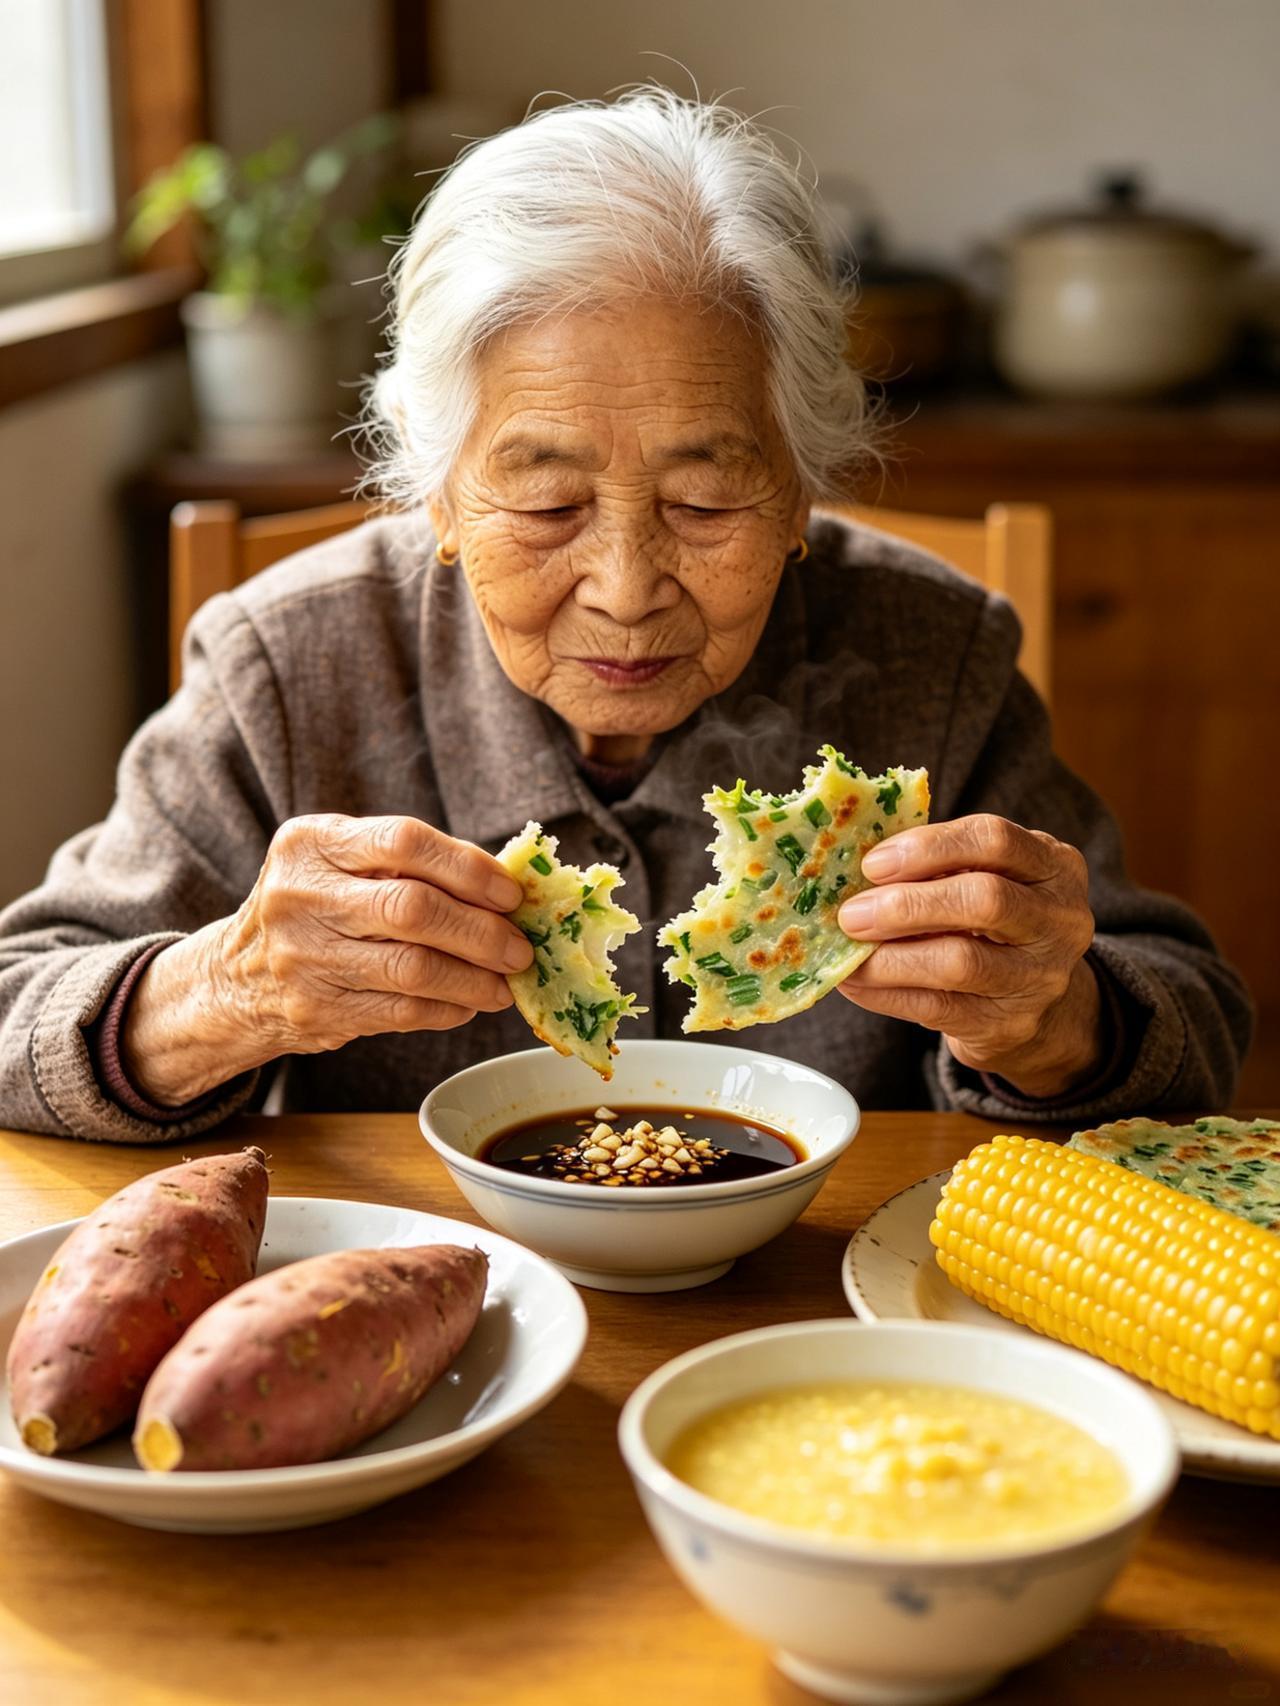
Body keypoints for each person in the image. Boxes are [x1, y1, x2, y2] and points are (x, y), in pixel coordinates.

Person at [0, 90, 1250, 1144]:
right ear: (437, 496)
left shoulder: (933, 658)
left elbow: (1193, 1027)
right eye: (545, 503)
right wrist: (228, 987)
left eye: (705, 499)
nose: (626, 583)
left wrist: (1056, 1018)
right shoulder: (286, 665)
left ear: (801, 487)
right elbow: (18, 1010)